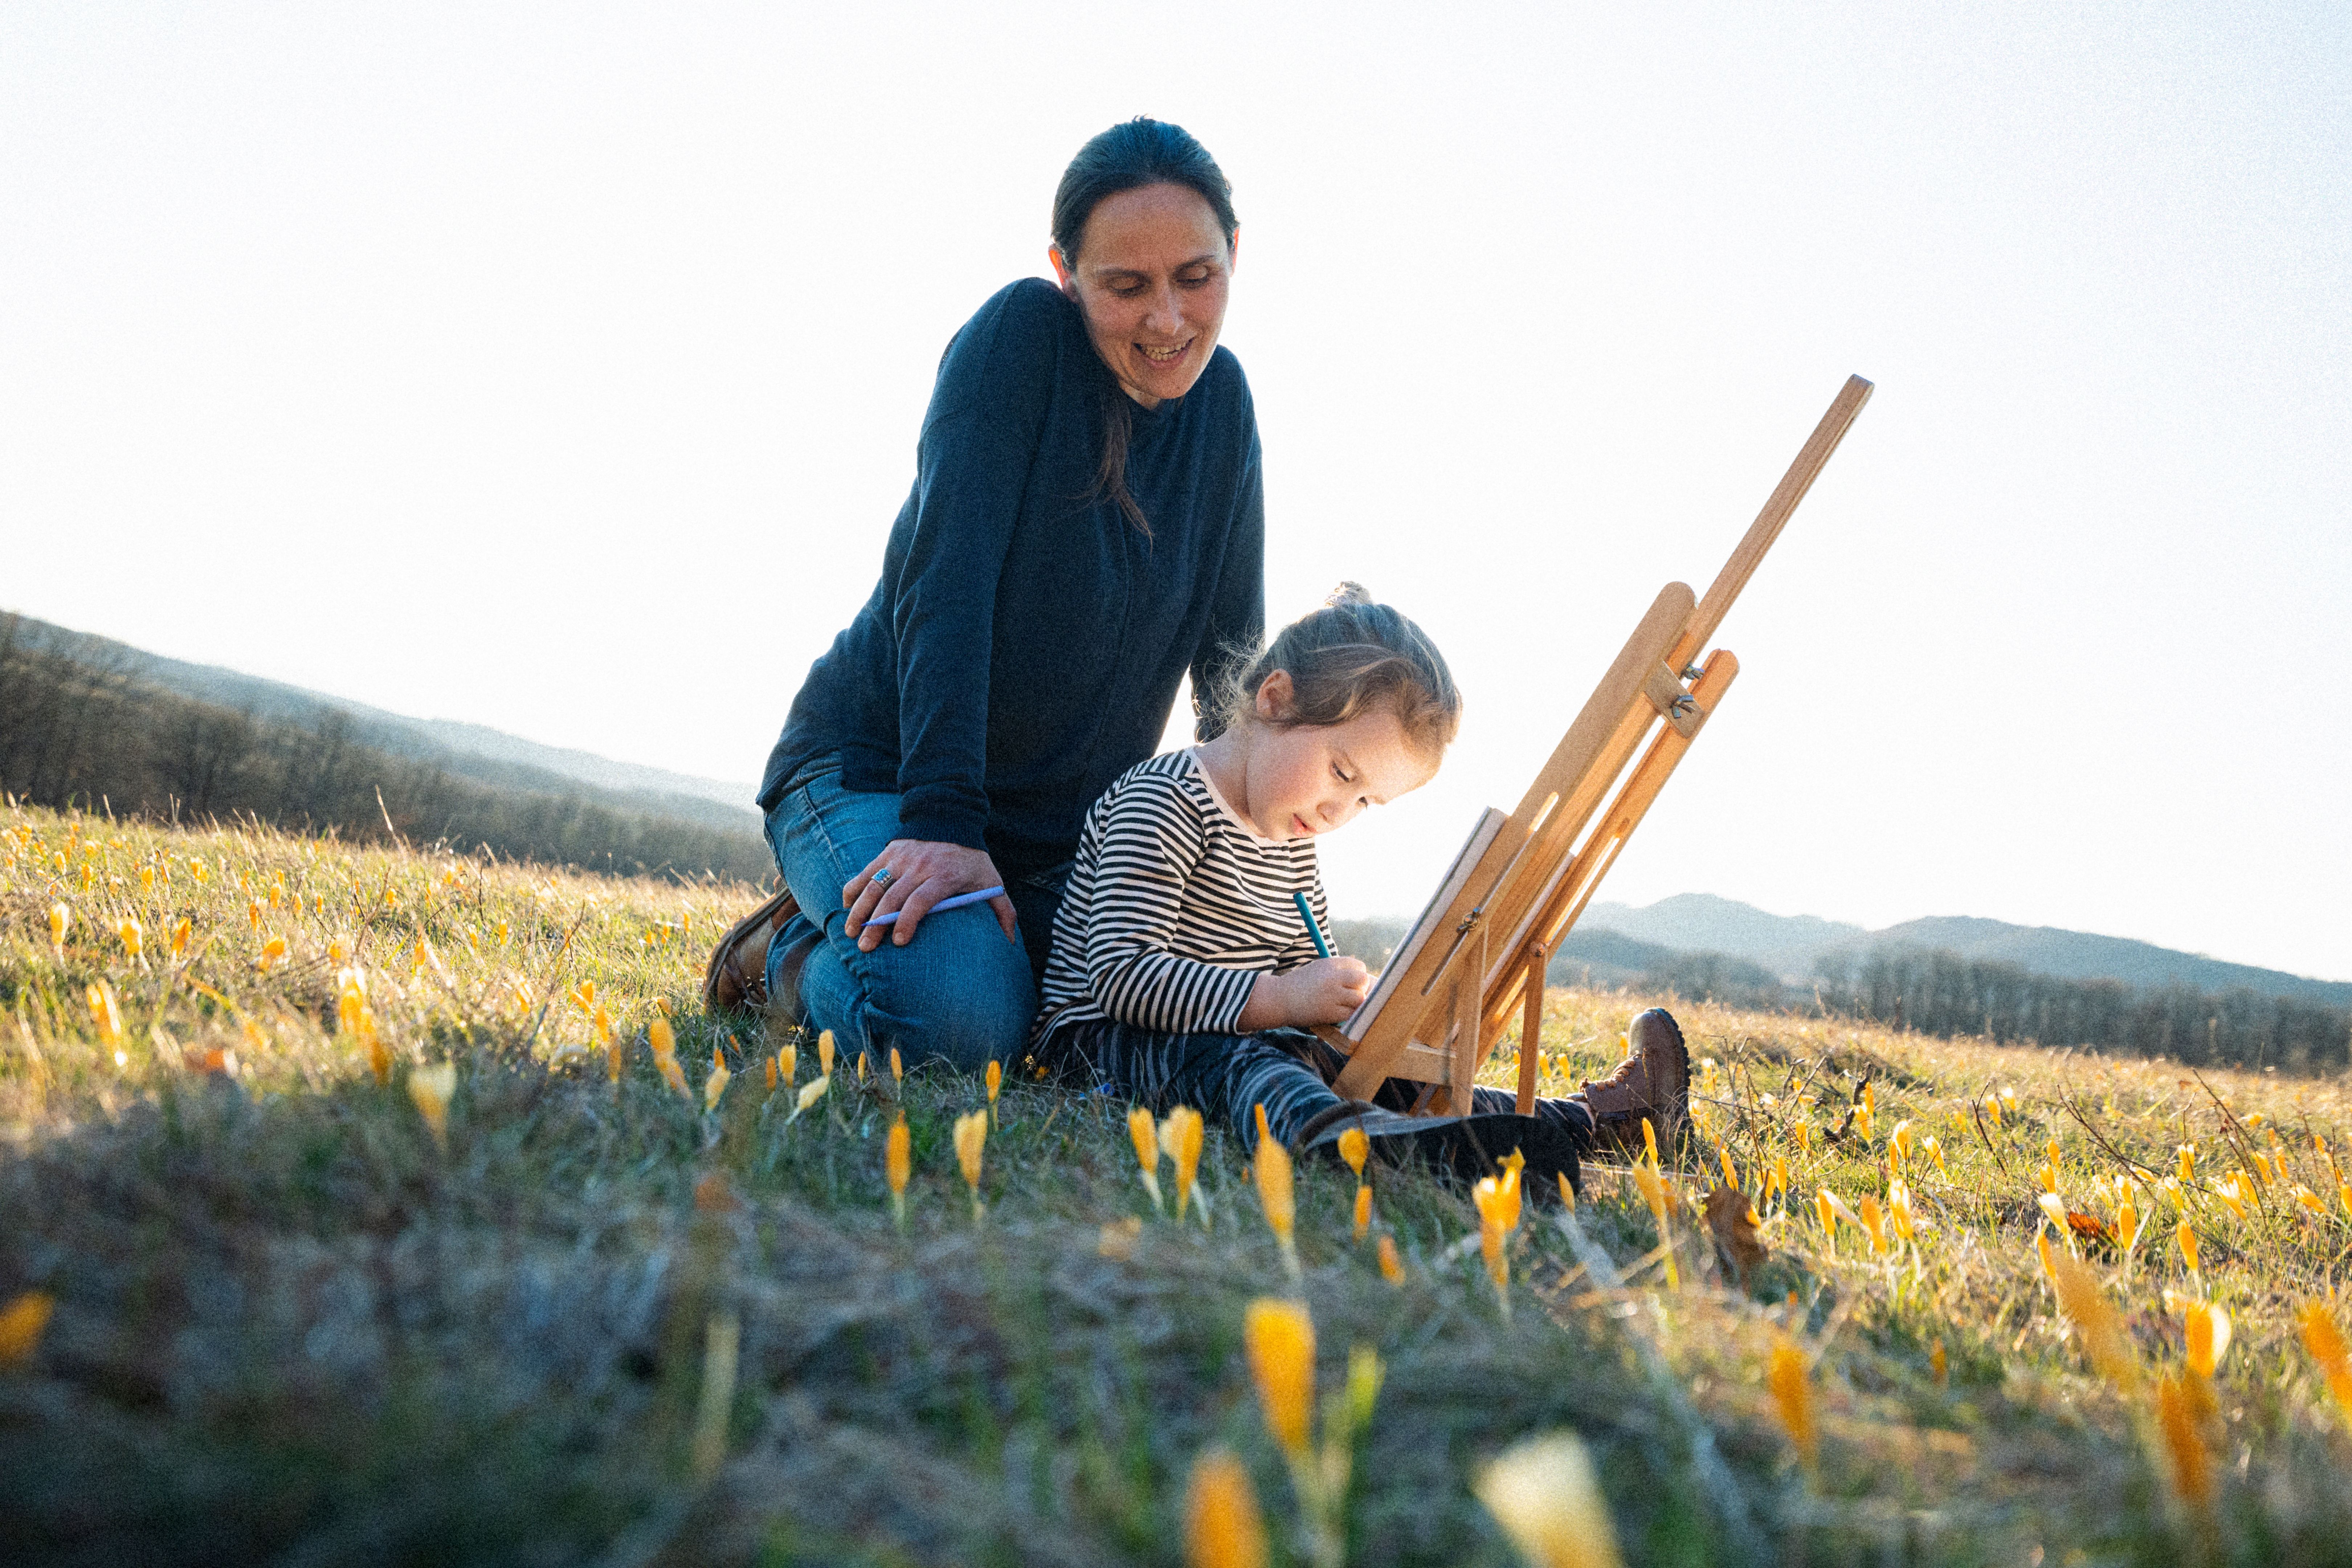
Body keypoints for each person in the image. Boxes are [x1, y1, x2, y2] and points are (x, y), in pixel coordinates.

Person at [703, 118, 1263, 1075]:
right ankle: (782, 952)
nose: (1167, 321)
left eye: (1195, 279)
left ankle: (903, 933)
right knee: (959, 1030)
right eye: (1126, 286)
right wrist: (944, 827)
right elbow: (944, 588)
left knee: (1097, 1021)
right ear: (1066, 271)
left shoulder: (1226, 408)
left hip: (1052, 837)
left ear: (1234, 257)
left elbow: (1231, 665)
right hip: (881, 771)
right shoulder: (1021, 342)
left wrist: (1243, 872)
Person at [1029, 585, 1691, 1185]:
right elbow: (1121, 975)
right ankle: (1353, 1143)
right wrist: (1282, 998)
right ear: (1275, 699)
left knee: (1390, 1076)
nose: (1337, 813)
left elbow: (1297, 972)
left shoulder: (1293, 836)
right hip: (1102, 1042)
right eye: (1343, 775)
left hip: (1252, 1036)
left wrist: (1337, 1004)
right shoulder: (1164, 801)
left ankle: (1602, 1121)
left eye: (1366, 802)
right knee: (1249, 1069)